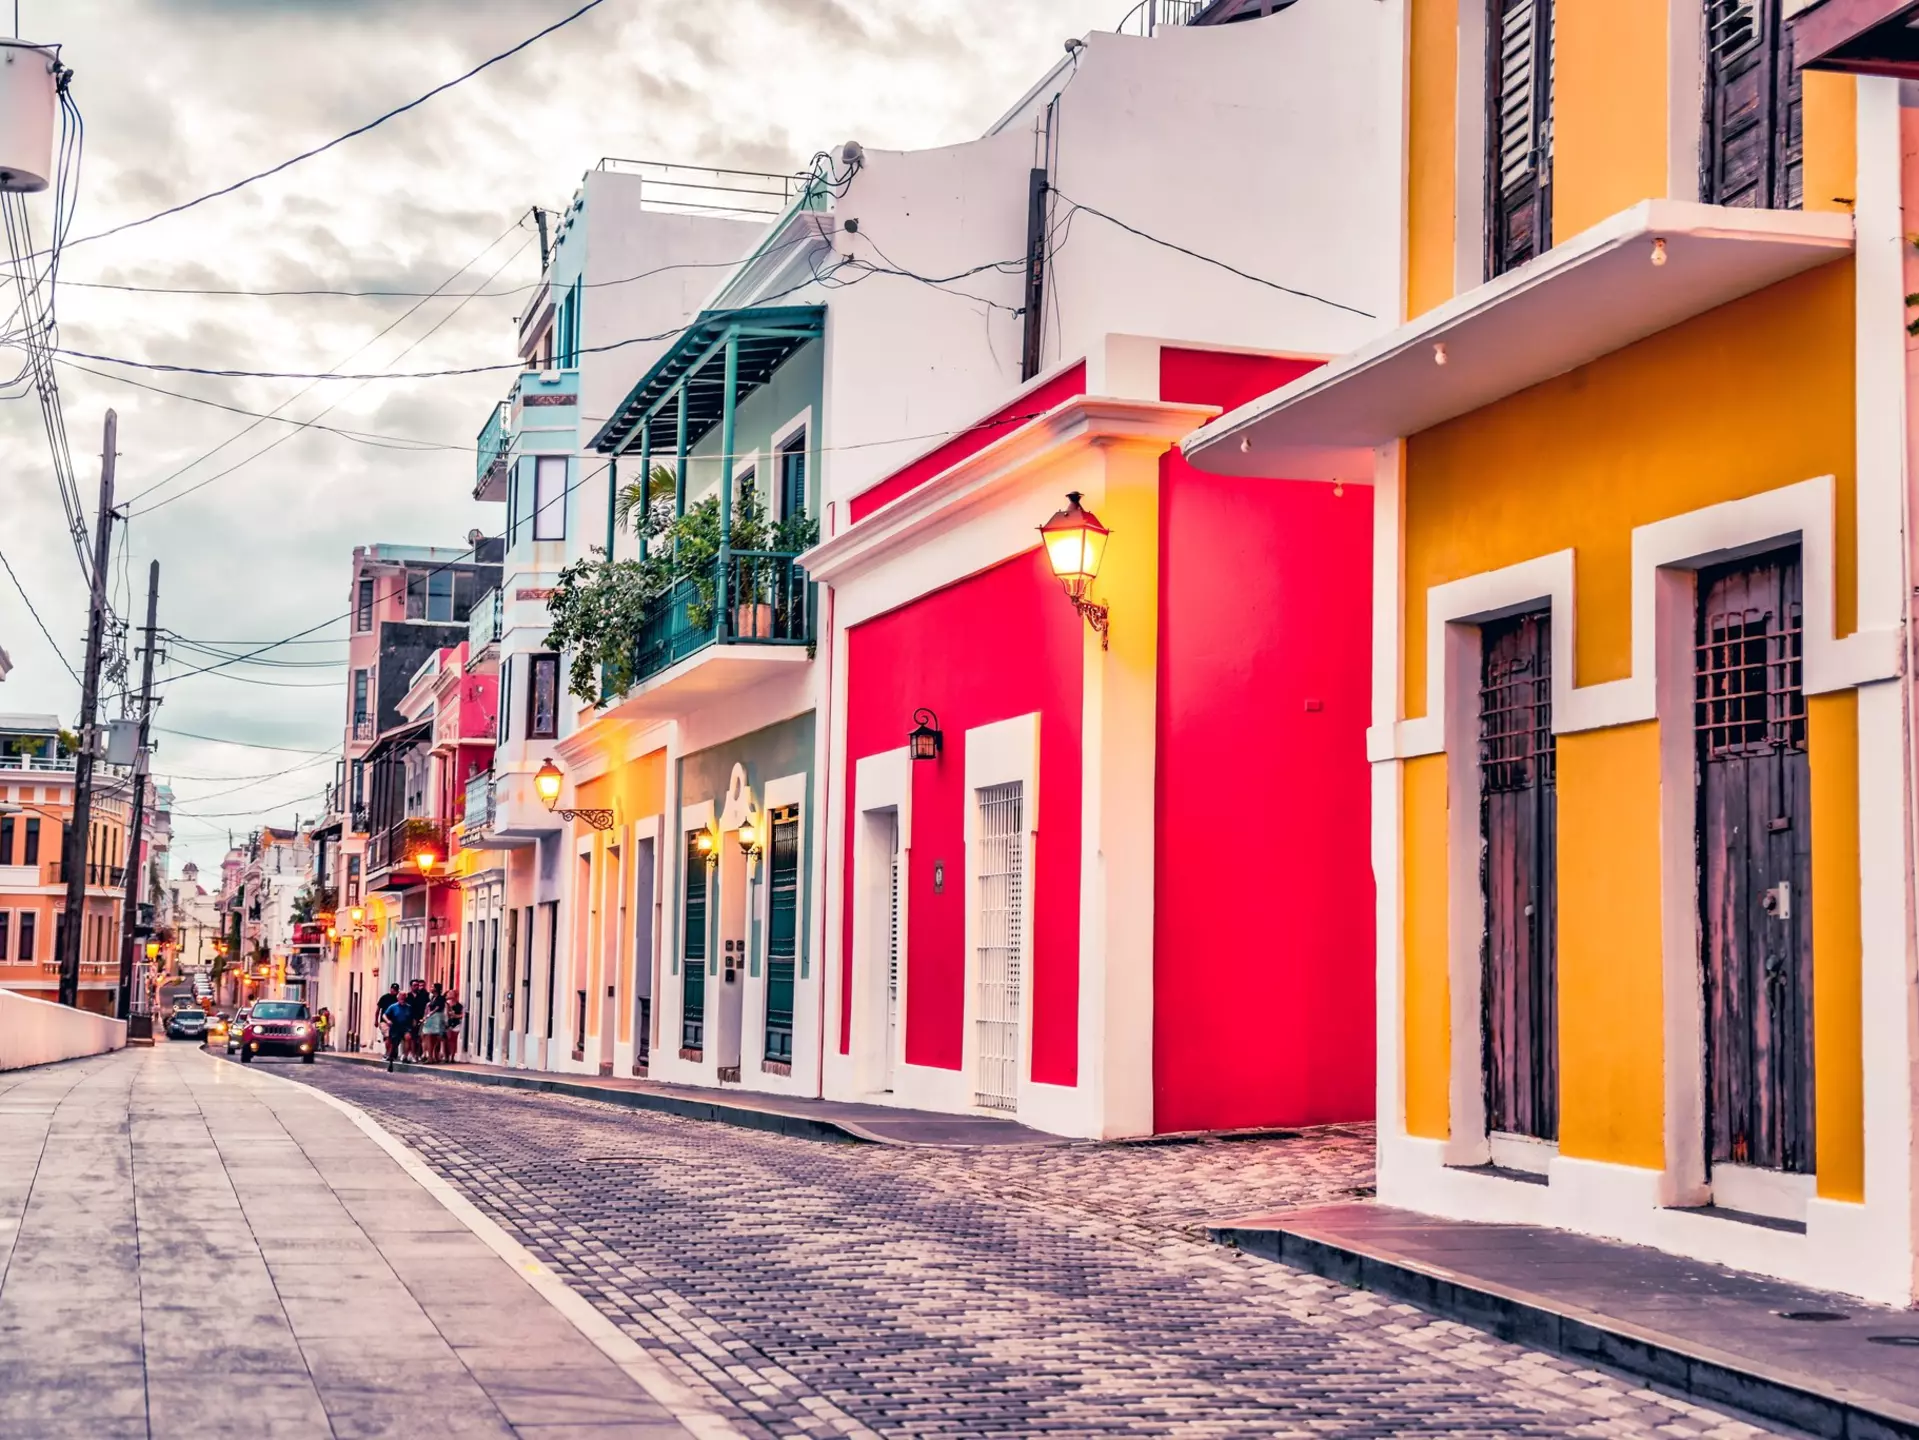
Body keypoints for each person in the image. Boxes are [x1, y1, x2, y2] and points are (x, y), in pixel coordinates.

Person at [381, 988, 413, 1072]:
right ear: (398, 998)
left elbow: (412, 1017)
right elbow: (384, 1015)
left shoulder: (408, 1007)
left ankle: (405, 1056)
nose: (402, 998)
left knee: (408, 1038)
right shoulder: (393, 1006)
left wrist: (413, 1024)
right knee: (394, 1044)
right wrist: (388, 1021)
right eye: (401, 997)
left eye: (404, 997)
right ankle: (391, 1058)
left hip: (405, 1027)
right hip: (395, 1027)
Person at [405, 978, 430, 1062]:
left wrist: (424, 1017)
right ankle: (411, 1054)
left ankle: (418, 1054)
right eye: (415, 985)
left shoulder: (423, 996)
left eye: (417, 985)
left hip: (421, 1018)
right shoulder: (407, 996)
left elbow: (426, 1006)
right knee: (411, 1037)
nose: (417, 987)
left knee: (419, 1037)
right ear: (411, 986)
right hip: (410, 1019)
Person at [422, 983, 448, 1063]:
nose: (431, 988)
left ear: (436, 989)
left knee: (436, 1037)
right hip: (431, 1018)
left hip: (437, 1017)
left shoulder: (441, 998)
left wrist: (430, 1014)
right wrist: (426, 1016)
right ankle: (430, 1057)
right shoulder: (433, 997)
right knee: (429, 1036)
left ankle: (435, 1056)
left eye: (432, 987)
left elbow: (437, 1008)